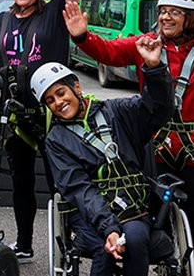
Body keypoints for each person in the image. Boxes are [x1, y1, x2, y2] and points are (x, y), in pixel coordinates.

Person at [63, 0, 194, 275]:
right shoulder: (146, 44)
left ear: (192, 17)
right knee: (150, 217)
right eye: (162, 12)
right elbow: (108, 52)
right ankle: (160, 258)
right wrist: (82, 36)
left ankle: (191, 269)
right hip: (155, 147)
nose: (166, 18)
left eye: (174, 12)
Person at [0, 0, 88, 262]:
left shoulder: (56, 11)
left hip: (53, 112)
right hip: (14, 115)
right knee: (22, 182)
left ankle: (70, 245)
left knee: (62, 180)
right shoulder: (1, 21)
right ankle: (24, 245)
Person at [30, 36, 174, 276]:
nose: (58, 102)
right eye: (50, 100)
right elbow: (79, 189)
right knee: (104, 249)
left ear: (76, 86)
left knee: (136, 239)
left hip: (131, 206)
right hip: (88, 214)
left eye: (60, 92)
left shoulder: (118, 112)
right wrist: (109, 228)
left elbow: (159, 109)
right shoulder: (56, 140)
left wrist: (154, 69)